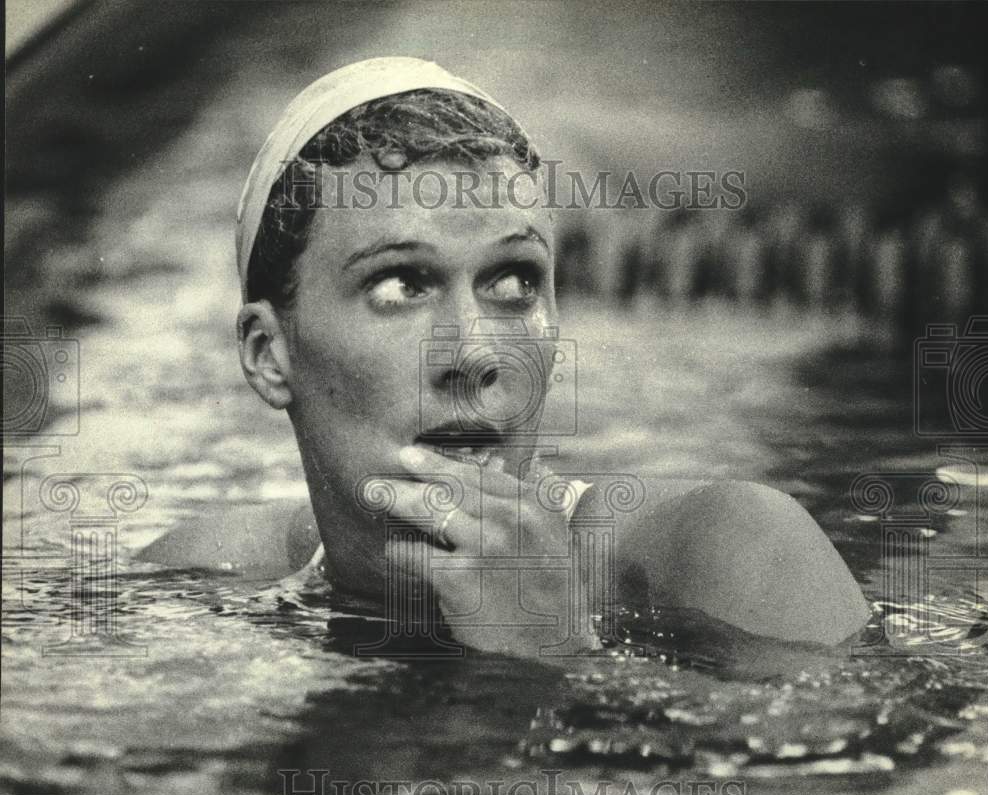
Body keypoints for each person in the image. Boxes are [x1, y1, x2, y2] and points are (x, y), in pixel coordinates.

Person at [139, 57, 871, 657]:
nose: (477, 354)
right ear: (269, 356)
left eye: (515, 281)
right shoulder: (202, 580)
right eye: (401, 284)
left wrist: (553, 656)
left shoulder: (729, 555)